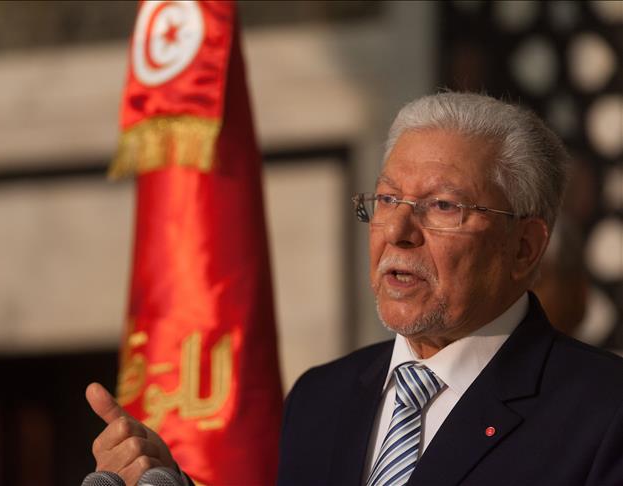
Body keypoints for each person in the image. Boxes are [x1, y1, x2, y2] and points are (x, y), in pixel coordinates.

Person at [86, 92, 623, 486]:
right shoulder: (320, 398)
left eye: (443, 206)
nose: (399, 232)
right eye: (387, 200)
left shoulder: (605, 412)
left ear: (525, 247)